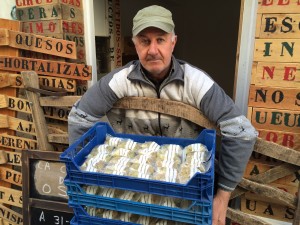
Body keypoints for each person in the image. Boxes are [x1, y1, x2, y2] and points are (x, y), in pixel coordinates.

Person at [68, 5, 258, 225]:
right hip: (131, 196)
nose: (153, 50)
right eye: (145, 41)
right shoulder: (120, 80)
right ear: (135, 44)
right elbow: (79, 118)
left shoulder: (196, 82)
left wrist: (223, 196)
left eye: (160, 39)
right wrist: (83, 178)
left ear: (173, 42)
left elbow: (241, 132)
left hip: (186, 198)